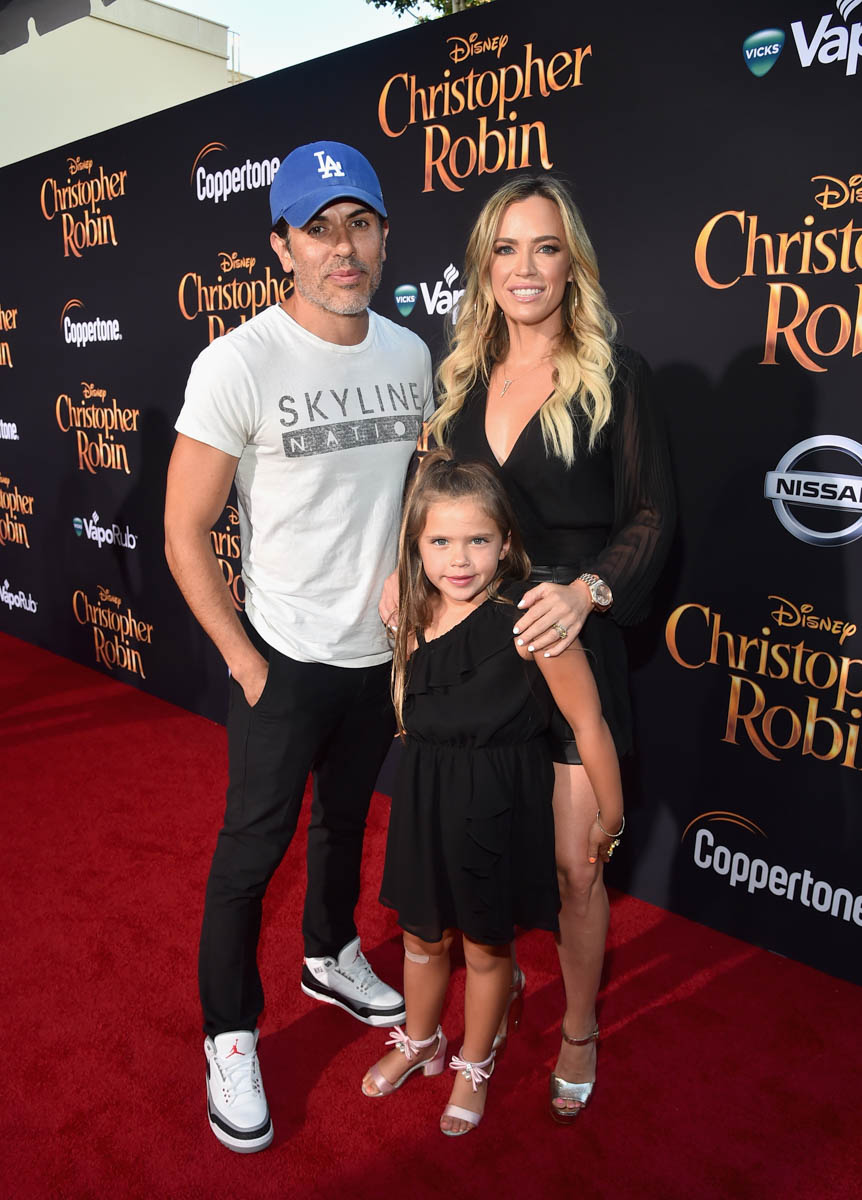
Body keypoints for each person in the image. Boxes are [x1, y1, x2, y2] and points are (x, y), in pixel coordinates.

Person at [164, 140, 433, 1153]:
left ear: (384, 236)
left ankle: (328, 952)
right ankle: (229, 1033)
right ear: (281, 245)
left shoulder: (409, 355)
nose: (341, 248)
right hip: (279, 657)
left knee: (346, 822)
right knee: (249, 857)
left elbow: (415, 489)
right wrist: (245, 663)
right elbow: (184, 529)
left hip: (377, 657)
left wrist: (409, 580)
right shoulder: (237, 362)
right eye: (317, 230)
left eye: (358, 224)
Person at [425, 174, 674, 1121]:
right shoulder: (459, 384)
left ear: (574, 265)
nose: (524, 267)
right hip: (481, 656)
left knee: (577, 865)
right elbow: (433, 514)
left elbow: (651, 515)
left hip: (573, 639)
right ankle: (494, 1001)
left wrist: (587, 592)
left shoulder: (615, 375)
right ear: (483, 266)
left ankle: (578, 1027)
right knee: (483, 846)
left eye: (545, 247)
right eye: (506, 248)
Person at [362, 450, 624, 1136]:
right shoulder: (410, 615)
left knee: (484, 950)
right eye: (440, 542)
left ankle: (474, 1062)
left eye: (478, 540)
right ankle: (421, 1040)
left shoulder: (530, 620)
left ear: (506, 543)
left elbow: (588, 723)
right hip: (423, 804)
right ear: (415, 547)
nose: (459, 559)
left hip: (494, 808)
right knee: (420, 938)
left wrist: (612, 816)